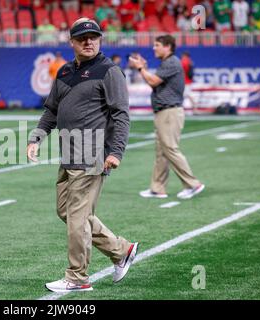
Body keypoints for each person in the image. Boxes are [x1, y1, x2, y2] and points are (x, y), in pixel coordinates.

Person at [27, 18, 139, 293]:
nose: (89, 42)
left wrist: (116, 152)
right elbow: (51, 110)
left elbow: (121, 114)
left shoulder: (109, 71)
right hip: (69, 154)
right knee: (67, 212)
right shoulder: (64, 72)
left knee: (77, 217)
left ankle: (77, 278)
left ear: (100, 40)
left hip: (93, 155)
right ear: (72, 42)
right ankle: (121, 250)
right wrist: (36, 137)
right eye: (82, 38)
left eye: (94, 37)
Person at [128, 35, 205, 200]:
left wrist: (141, 68)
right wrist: (144, 68)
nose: (154, 48)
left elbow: (153, 81)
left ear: (168, 46)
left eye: (157, 45)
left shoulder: (171, 62)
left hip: (170, 111)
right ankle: (158, 188)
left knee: (170, 149)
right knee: (161, 151)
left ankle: (193, 184)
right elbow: (154, 81)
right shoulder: (167, 62)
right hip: (164, 111)